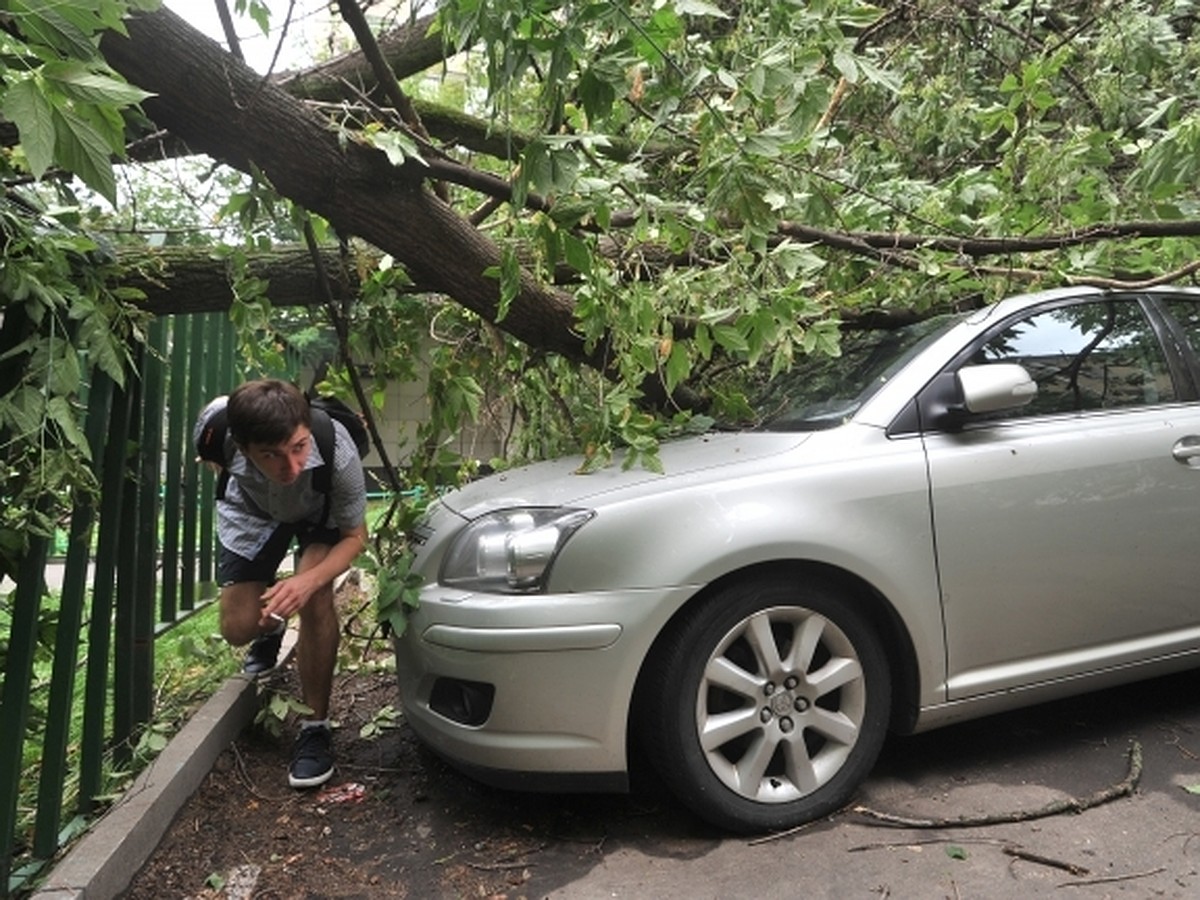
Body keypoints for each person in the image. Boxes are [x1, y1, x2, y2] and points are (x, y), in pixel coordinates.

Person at [193, 378, 368, 788]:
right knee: (237, 629)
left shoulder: (335, 448)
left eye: (298, 447)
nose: (290, 468)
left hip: (318, 512)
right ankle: (271, 629)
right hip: (251, 508)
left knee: (316, 595)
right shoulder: (214, 430)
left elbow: (355, 536)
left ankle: (315, 728)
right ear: (241, 444)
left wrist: (307, 581)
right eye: (270, 454)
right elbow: (209, 456)